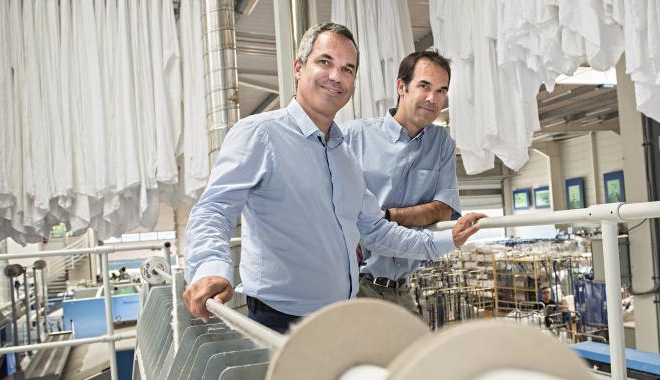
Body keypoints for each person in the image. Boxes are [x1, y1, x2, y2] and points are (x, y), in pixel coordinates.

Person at [182, 22, 486, 333]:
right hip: (279, 322)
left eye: (347, 69)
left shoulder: (344, 157)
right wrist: (210, 267)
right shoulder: (260, 134)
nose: (335, 76)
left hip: (338, 316)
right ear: (299, 67)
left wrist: (447, 240)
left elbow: (375, 229)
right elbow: (214, 209)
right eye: (325, 62)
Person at [341, 50, 459, 314]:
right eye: (424, 86)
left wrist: (384, 216)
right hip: (354, 284)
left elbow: (443, 209)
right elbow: (331, 203)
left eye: (441, 91)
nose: (433, 99)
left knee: (417, 354)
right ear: (401, 86)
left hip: (402, 287)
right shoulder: (353, 136)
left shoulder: (440, 143)